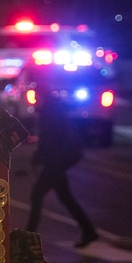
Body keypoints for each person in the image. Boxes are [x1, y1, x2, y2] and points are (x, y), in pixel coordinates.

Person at [24, 82, 98, 248]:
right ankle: (89, 231)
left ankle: (29, 237)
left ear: (41, 96)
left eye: (36, 97)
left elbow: (49, 141)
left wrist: (37, 161)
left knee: (37, 195)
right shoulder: (52, 109)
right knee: (66, 197)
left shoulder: (50, 113)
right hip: (59, 160)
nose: (35, 101)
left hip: (57, 161)